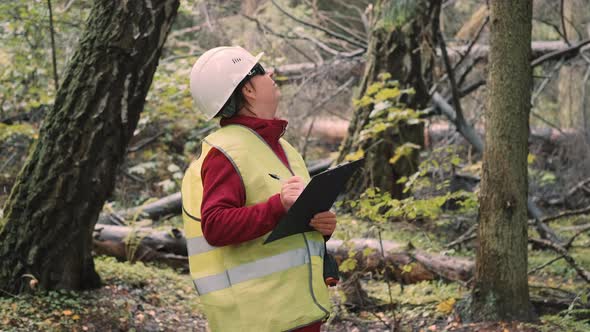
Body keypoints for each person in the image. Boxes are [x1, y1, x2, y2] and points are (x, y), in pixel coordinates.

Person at [181, 46, 337, 331]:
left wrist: (321, 227)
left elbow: (287, 224)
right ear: (248, 90)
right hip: (261, 319)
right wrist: (279, 205)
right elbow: (215, 226)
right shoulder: (225, 152)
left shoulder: (283, 148)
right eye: (261, 70)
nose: (271, 73)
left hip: (300, 313)